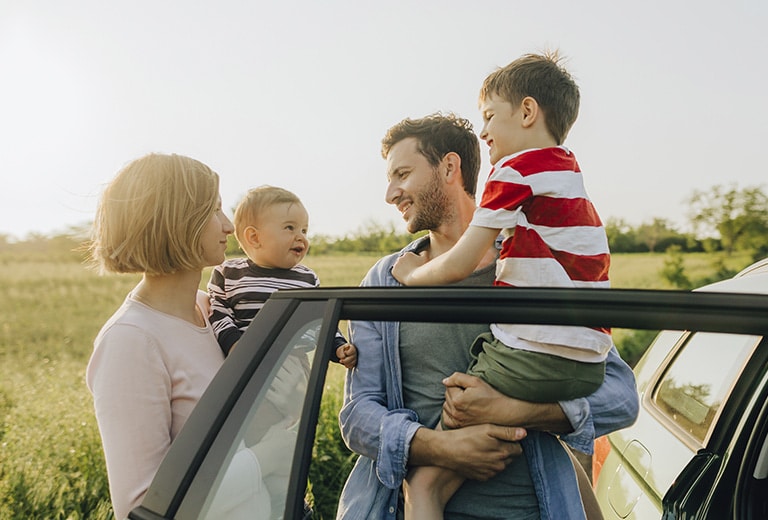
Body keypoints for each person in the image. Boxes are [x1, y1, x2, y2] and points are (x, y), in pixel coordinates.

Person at [336, 113, 639, 520]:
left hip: (539, 508)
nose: (391, 193)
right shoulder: (385, 281)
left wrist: (515, 410)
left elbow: (619, 395)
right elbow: (357, 416)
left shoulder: (533, 263)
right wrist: (440, 446)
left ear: (449, 167)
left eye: (402, 174)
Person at [391, 52, 611, 518]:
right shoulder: (569, 174)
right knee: (568, 457)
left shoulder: (514, 171)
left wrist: (411, 278)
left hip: (533, 355)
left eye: (489, 116)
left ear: (528, 112)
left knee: (425, 481)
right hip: (587, 359)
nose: (485, 131)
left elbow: (459, 263)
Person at [85, 154, 292, 519]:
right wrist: (265, 459)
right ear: (175, 221)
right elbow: (142, 505)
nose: (228, 226)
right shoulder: (131, 340)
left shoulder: (214, 310)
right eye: (213, 210)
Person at [207, 185, 357, 368]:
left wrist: (338, 347)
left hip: (294, 364)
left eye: (304, 230)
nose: (301, 237)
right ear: (254, 237)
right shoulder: (229, 274)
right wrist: (233, 344)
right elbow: (218, 312)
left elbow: (321, 320)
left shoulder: (307, 278)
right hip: (245, 363)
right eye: (290, 228)